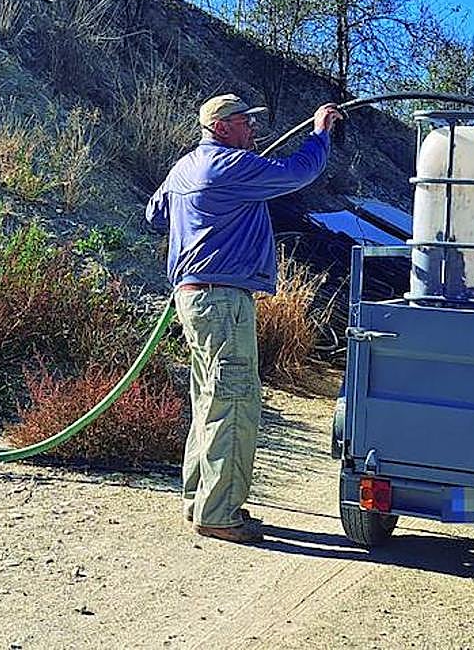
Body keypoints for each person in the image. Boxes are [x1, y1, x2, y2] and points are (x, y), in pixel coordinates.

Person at [146, 93, 343, 544]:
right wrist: (319, 132)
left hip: (193, 298)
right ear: (220, 127)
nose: (252, 130)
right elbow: (299, 172)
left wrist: (201, 217)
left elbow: (155, 214)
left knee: (209, 400)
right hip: (223, 300)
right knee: (234, 401)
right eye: (243, 122)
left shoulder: (185, 169)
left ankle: (200, 501)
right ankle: (219, 514)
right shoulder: (229, 167)